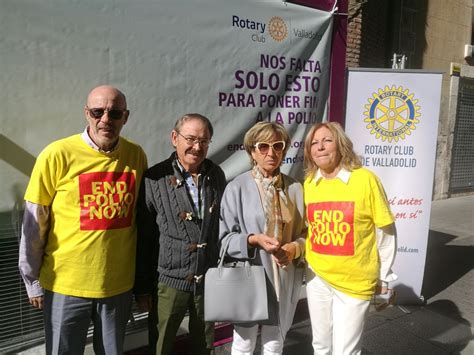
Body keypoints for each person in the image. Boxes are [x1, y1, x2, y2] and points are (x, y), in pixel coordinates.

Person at [18, 85, 148, 354]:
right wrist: (32, 281)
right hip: (66, 284)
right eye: (98, 112)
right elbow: (34, 223)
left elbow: (141, 220)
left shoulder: (136, 155)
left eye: (114, 113)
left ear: (126, 117)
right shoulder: (57, 154)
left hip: (117, 286)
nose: (105, 120)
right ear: (86, 113)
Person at [134, 113, 226, 355]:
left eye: (204, 141)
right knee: (160, 344)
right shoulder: (155, 178)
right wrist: (143, 287)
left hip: (207, 277)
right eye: (191, 139)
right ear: (175, 138)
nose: (197, 147)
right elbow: (144, 238)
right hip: (168, 280)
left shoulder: (216, 175)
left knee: (204, 345)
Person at [303, 122, 397, 355]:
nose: (320, 147)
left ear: (341, 145)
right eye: (314, 143)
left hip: (354, 282)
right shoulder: (309, 184)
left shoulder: (365, 179)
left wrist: (383, 275)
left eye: (327, 140)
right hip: (317, 277)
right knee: (320, 345)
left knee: (346, 350)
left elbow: (386, 233)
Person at [219, 122, 306, 355]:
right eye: (263, 146)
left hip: (284, 278)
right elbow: (223, 239)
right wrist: (252, 239)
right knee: (243, 343)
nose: (271, 152)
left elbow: (307, 233)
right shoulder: (237, 187)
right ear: (251, 151)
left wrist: (294, 249)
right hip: (250, 274)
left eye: (278, 146)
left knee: (275, 343)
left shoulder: (295, 188)